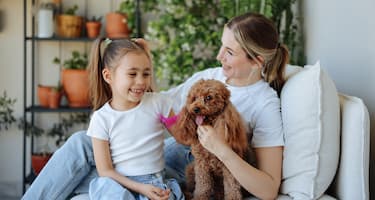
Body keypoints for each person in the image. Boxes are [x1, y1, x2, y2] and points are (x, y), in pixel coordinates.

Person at [22, 12, 288, 200]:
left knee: (83, 170)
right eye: (222, 47)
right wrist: (142, 65)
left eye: (229, 52)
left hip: (184, 167)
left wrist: (221, 148)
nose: (219, 57)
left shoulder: (264, 104)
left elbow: (268, 188)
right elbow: (156, 104)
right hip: (153, 152)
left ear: (257, 60)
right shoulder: (210, 76)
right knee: (83, 141)